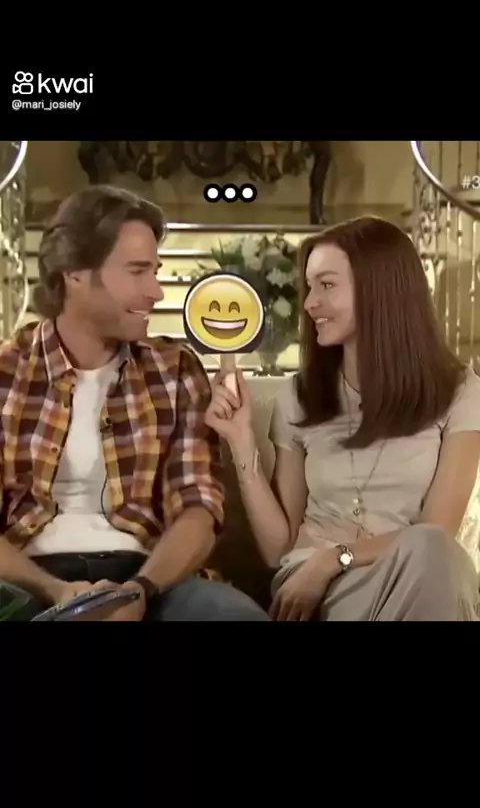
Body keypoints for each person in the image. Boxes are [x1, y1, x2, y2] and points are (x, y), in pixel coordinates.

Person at [0, 184, 269, 621]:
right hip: (28, 578)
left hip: (153, 576)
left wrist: (138, 590)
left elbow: (198, 507)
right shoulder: (8, 370)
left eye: (155, 272)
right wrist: (60, 593)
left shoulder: (175, 369)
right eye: (138, 271)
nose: (156, 292)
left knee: (233, 616)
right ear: (75, 273)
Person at [205, 215, 480, 621]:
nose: (309, 303)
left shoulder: (460, 392)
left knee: (435, 554)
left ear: (379, 291)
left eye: (327, 285)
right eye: (309, 286)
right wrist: (241, 440)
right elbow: (278, 549)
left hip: (411, 575)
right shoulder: (300, 396)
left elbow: (438, 531)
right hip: (314, 586)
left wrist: (336, 557)